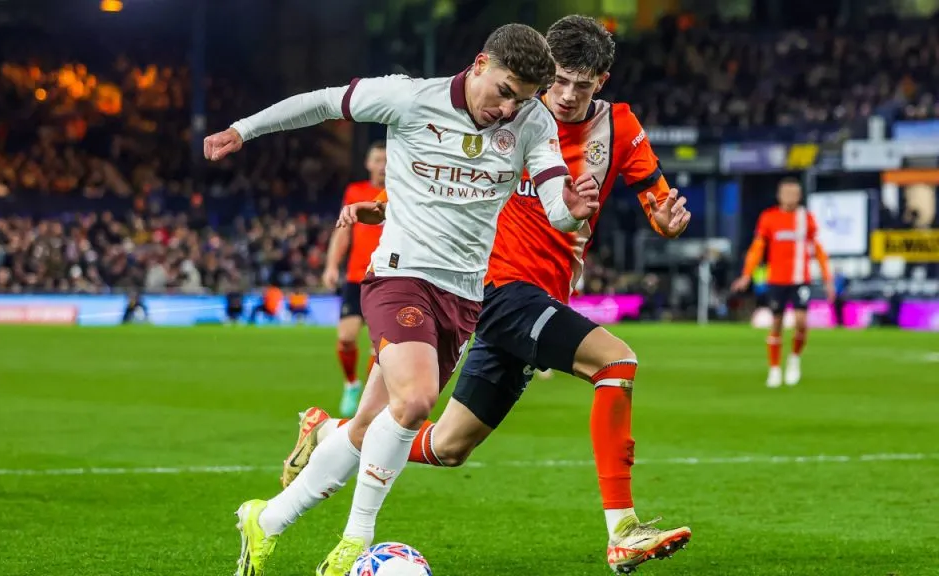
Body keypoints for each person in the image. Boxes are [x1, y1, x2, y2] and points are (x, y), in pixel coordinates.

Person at [293, 15, 693, 573]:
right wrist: (383, 204)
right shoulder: (510, 118)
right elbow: (439, 179)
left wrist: (668, 221)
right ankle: (623, 528)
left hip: (542, 297)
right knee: (617, 363)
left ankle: (337, 433)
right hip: (495, 286)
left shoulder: (619, 129)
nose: (568, 95)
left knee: (450, 446)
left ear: (602, 81)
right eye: (560, 80)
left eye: (584, 84)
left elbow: (657, 200)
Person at [204, 23, 600, 576]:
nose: (508, 109)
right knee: (416, 402)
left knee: (368, 427)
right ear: (481, 63)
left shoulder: (532, 121)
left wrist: (571, 207)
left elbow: (556, 204)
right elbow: (321, 104)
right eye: (504, 91)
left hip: (463, 298)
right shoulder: (410, 98)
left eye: (523, 99)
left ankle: (265, 522)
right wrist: (243, 130)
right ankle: (353, 543)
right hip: (400, 276)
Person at [731, 177, 834, 387]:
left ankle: (794, 359)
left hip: (800, 279)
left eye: (794, 193)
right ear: (779, 195)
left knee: (801, 322)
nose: (790, 197)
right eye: (787, 193)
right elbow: (757, 248)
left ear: (799, 196)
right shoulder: (769, 218)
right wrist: (747, 274)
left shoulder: (806, 218)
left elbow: (819, 250)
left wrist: (827, 278)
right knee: (776, 324)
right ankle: (775, 368)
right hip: (777, 279)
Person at [322, 142, 387, 417]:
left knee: (379, 346)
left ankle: (371, 400)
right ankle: (351, 383)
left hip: (385, 277)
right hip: (356, 277)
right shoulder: (356, 192)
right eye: (377, 160)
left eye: (387, 160)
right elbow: (343, 231)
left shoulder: (400, 191)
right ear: (368, 163)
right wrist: (331, 265)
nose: (382, 165)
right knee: (346, 338)